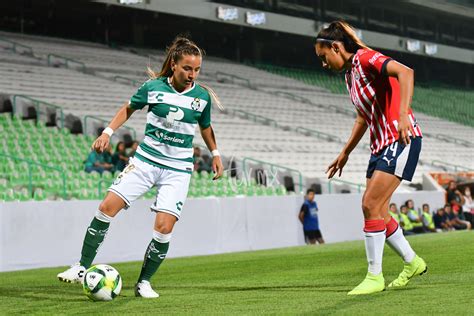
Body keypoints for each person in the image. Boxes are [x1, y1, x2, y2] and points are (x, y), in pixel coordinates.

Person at [57, 36, 224, 298]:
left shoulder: (201, 97)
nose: (192, 74)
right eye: (187, 68)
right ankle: (81, 267)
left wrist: (215, 153)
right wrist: (107, 132)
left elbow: (205, 127)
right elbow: (128, 108)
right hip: (144, 161)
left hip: (178, 169)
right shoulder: (153, 87)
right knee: (106, 207)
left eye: (197, 69)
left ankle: (144, 282)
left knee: (164, 227)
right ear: (174, 64)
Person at [316, 21, 426, 295]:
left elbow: (406, 72)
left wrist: (402, 116)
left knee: (369, 204)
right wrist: (345, 152)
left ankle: (374, 277)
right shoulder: (349, 76)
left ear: (336, 47)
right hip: (380, 145)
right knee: (377, 210)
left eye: (323, 56)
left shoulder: (365, 59)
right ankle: (412, 262)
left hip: (400, 138)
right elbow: (363, 117)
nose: (323, 63)